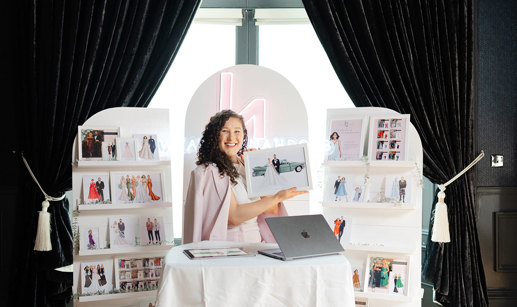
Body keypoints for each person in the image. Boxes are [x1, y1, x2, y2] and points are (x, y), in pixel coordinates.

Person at [183, 110, 306, 244]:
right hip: (229, 252)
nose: (231, 138)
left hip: (257, 250)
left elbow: (272, 209)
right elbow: (234, 216)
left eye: (237, 131)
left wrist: (257, 168)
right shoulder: (210, 172)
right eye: (224, 131)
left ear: (244, 135)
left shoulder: (244, 167)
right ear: (214, 135)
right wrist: (278, 197)